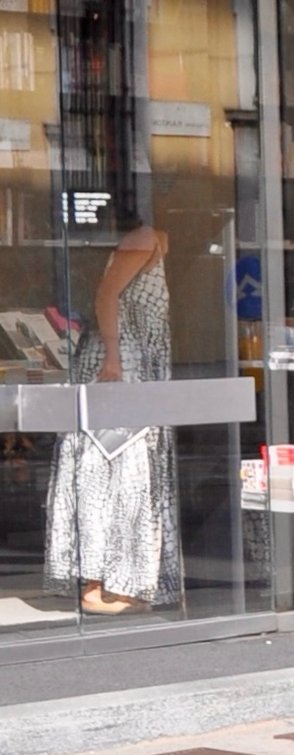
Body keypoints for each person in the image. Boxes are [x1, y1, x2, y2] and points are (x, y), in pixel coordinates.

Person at [45, 208, 180, 614]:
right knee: (114, 466)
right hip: (122, 364)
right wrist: (114, 357)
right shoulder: (143, 237)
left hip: (136, 363)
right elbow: (107, 294)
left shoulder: (155, 239)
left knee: (129, 469)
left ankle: (129, 580)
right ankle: (100, 584)